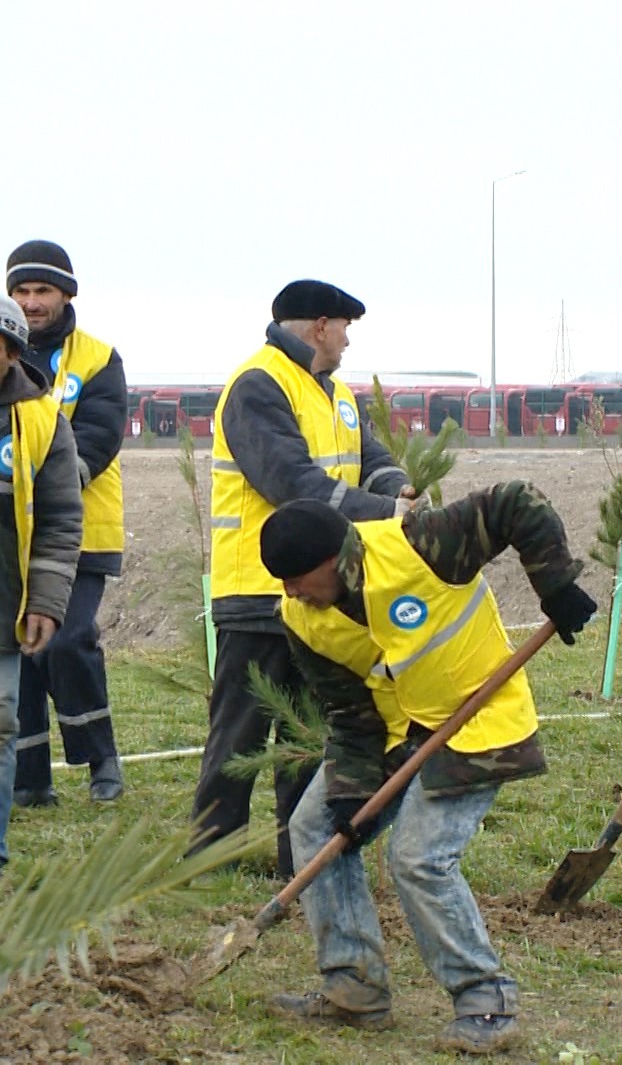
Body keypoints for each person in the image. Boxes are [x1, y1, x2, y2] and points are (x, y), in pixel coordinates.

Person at [261, 490, 595, 1054]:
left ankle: (486, 1002)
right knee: (313, 828)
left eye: (296, 577)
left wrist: (555, 584)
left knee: (417, 859)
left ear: (334, 559)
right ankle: (354, 986)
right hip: (398, 734)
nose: (290, 591)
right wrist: (349, 789)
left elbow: (514, 505)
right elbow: (349, 713)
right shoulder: (302, 619)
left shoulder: (420, 544)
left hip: (477, 725)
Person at [192, 280, 415, 879]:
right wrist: (381, 512)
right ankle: (211, 859)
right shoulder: (258, 385)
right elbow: (291, 483)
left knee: (310, 734)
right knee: (239, 733)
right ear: (321, 325)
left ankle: (302, 858)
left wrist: (398, 488)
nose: (347, 340)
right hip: (258, 590)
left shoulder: (338, 394)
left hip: (319, 590)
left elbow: (373, 460)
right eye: (345, 327)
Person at [6, 242, 127, 805]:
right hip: (13, 538)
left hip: (82, 533)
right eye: (22, 291)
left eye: (42, 291)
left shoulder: (99, 359)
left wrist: (52, 481)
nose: (31, 303)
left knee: (68, 639)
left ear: (66, 295)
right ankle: (29, 779)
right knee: (18, 649)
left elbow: (101, 435)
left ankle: (100, 756)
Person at [0, 297, 84, 871]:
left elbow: (59, 521)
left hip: (4, 603)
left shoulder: (41, 421)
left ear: (9, 352)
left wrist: (48, 604)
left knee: (1, 720)